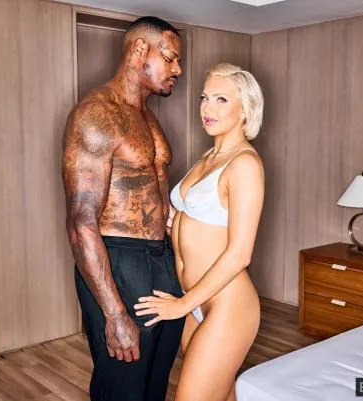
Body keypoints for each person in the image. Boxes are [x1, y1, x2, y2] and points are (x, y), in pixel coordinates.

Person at [61, 16, 184, 401]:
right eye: (171, 58)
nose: (178, 70)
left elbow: (156, 192)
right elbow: (81, 223)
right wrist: (114, 313)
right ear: (139, 49)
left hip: (160, 256)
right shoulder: (98, 114)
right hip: (119, 259)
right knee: (123, 382)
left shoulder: (146, 116)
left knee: (155, 379)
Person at [134, 63, 265, 401]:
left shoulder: (245, 164)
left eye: (221, 99)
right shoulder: (210, 157)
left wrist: (183, 305)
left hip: (226, 304)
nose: (208, 108)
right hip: (195, 298)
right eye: (205, 98)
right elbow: (196, 220)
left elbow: (240, 254)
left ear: (245, 110)